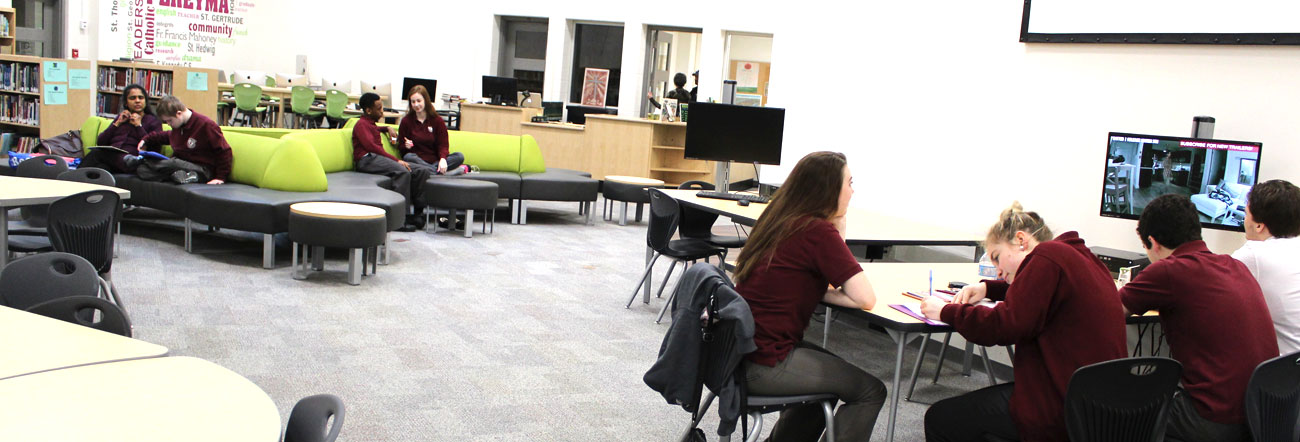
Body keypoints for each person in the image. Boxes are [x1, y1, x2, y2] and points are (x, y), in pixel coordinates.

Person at [920, 203, 1127, 442]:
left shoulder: (1047, 257)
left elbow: (1004, 325)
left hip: (1061, 409)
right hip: (1101, 409)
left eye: (997, 258)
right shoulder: (1080, 257)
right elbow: (1035, 293)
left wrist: (946, 311)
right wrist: (987, 287)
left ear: (1021, 240)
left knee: (941, 418)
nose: (997, 271)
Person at [733, 151, 887, 442]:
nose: (854, 191)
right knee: (870, 391)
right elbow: (865, 299)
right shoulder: (816, 231)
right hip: (763, 363)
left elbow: (809, 281)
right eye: (850, 183)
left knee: (824, 391)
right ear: (829, 190)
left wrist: (822, 290)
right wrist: (838, 233)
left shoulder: (779, 220)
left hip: (737, 352)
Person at [1119, 194, 1277, 442]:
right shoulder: (1233, 265)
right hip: (1263, 415)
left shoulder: (1168, 270)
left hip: (1214, 419)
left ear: (1153, 242)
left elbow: (1109, 311)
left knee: (1123, 413)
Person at [1232, 179, 1300, 354]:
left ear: (1259, 225)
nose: (1244, 220)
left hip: (1286, 372)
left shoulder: (1253, 254)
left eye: (1246, 214)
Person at [353, 92, 432, 231]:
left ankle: (418, 213)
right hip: (367, 159)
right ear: (368, 110)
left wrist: (387, 127)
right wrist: (397, 160)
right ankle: (400, 219)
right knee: (403, 172)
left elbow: (375, 128)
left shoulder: (369, 123)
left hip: (375, 158)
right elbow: (373, 147)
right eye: (379, 108)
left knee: (422, 171)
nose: (382, 111)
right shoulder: (361, 125)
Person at [135, 95, 231, 185]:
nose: (168, 124)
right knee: (141, 170)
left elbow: (224, 150)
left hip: (203, 169)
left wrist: (220, 178)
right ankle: (182, 177)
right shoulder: (178, 126)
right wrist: (145, 140)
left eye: (169, 120)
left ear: (179, 114)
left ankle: (188, 176)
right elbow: (166, 136)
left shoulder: (206, 125)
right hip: (181, 167)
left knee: (173, 162)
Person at [80, 84, 163, 173]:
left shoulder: (153, 121)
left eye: (141, 98)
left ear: (146, 101)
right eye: (132, 98)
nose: (137, 101)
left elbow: (155, 149)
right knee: (101, 169)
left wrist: (139, 126)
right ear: (126, 103)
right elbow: (101, 142)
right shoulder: (121, 118)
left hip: (135, 161)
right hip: (114, 161)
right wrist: (117, 124)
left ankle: (71, 178)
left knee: (97, 154)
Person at [397, 85, 469, 176]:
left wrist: (443, 159)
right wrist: (406, 146)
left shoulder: (437, 120)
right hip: (417, 161)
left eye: (419, 101)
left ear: (426, 101)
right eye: (413, 102)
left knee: (459, 156)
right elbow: (401, 147)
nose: (416, 105)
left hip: (436, 160)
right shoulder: (406, 121)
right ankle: (440, 173)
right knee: (408, 157)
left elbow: (443, 145)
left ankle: (432, 171)